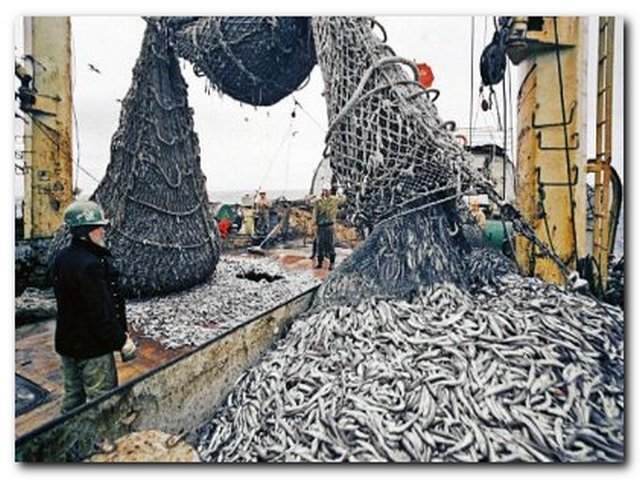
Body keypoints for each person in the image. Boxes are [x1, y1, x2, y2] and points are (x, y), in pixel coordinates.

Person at [50, 200, 136, 413]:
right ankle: (101, 436)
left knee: (72, 399)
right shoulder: (91, 265)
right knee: (103, 403)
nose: (103, 231)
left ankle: (67, 432)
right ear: (84, 232)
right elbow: (101, 312)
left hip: (67, 344)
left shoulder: (61, 258)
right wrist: (121, 340)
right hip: (92, 348)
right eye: (98, 227)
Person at [313, 183, 345, 270]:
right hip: (320, 226)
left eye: (327, 191)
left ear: (330, 191)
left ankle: (332, 263)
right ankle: (320, 263)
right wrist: (314, 223)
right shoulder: (318, 201)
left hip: (329, 226)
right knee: (320, 244)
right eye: (324, 190)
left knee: (330, 244)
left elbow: (343, 200)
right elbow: (315, 213)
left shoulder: (334, 200)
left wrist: (341, 190)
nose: (325, 192)